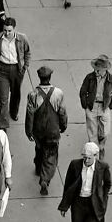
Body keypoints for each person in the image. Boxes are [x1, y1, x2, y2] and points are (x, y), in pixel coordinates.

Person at [25, 65, 68, 196]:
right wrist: (63, 125)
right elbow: (62, 112)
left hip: (38, 130)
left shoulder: (32, 94)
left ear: (39, 77)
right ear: (50, 77)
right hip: (52, 130)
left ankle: (38, 167)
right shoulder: (58, 93)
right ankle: (45, 179)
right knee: (51, 155)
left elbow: (30, 114)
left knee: (39, 148)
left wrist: (29, 131)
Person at [0, 16, 31, 130]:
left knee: (16, 94)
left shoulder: (22, 39)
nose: (7, 33)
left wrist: (25, 67)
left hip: (17, 70)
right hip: (1, 70)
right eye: (5, 30)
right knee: (3, 99)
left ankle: (13, 112)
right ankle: (3, 124)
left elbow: (27, 52)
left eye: (9, 31)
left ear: (14, 29)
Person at [58, 142, 111, 222]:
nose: (86, 161)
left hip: (94, 203)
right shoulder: (74, 165)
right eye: (84, 157)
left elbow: (107, 184)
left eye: (89, 158)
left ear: (95, 156)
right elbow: (68, 186)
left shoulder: (103, 167)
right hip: (78, 204)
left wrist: (103, 198)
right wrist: (64, 206)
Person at [79, 55, 112, 160]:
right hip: (91, 107)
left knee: (105, 132)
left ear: (104, 70)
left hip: (104, 107)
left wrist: (111, 105)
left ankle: (101, 147)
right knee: (92, 133)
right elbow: (83, 92)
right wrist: (85, 105)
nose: (96, 71)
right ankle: (94, 154)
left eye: (98, 70)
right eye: (95, 69)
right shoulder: (89, 77)